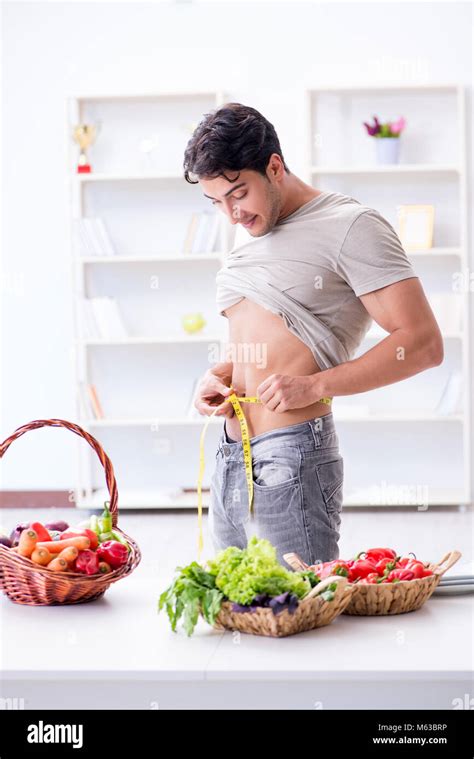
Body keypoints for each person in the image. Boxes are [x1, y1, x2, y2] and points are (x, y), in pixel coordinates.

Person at [183, 102, 443, 566]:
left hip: (292, 453)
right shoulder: (252, 231)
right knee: (237, 609)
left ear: (275, 166)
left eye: (238, 193)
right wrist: (218, 376)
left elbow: (422, 343)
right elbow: (264, 338)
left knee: (298, 609)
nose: (231, 215)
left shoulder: (351, 226)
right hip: (230, 450)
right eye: (217, 202)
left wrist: (317, 385)